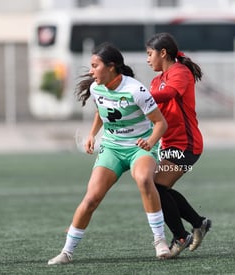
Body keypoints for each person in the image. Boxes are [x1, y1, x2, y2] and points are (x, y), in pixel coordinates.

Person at [48, 42, 170, 265]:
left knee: (144, 179)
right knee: (92, 198)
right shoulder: (97, 88)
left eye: (95, 66)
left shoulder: (135, 90)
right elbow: (102, 111)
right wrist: (92, 135)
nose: (91, 71)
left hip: (139, 148)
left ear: (111, 67)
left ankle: (160, 240)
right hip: (112, 147)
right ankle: (66, 252)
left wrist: (150, 141)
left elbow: (161, 124)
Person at [145, 32, 211, 257]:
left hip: (187, 144)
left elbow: (170, 93)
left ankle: (181, 236)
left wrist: (139, 97)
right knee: (160, 188)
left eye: (150, 54)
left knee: (157, 187)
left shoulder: (180, 73)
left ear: (163, 53)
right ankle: (198, 222)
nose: (147, 59)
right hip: (170, 144)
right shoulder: (156, 81)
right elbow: (154, 113)